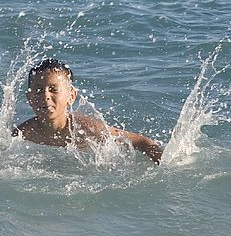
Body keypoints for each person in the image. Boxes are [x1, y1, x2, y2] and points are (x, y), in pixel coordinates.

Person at [13, 59, 163, 163]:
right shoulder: (23, 133)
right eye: (38, 90)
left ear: (71, 96)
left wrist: (160, 161)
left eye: (53, 89)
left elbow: (141, 142)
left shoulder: (86, 129)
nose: (45, 96)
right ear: (29, 98)